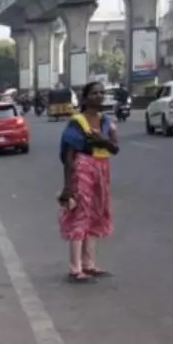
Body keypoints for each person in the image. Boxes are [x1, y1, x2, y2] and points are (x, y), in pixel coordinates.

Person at [58, 82, 120, 283]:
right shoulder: (77, 122)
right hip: (83, 168)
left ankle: (89, 264)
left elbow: (115, 148)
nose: (99, 96)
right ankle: (75, 267)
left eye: (102, 92)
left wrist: (103, 140)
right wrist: (68, 187)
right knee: (80, 214)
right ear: (85, 98)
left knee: (97, 213)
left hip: (102, 168)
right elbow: (68, 156)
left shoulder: (105, 122)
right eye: (94, 93)